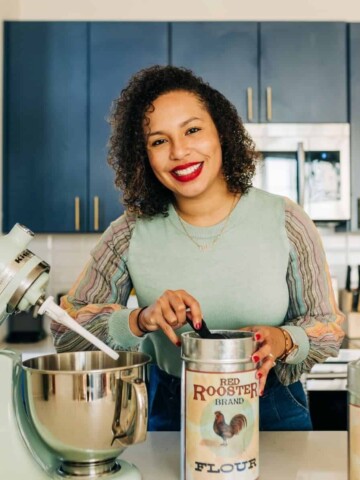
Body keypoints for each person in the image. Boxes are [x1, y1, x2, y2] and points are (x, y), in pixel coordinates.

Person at [51, 65, 345, 432]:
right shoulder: (128, 233)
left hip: (273, 410)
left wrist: (282, 339)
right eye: (159, 141)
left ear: (220, 132)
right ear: (144, 157)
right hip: (168, 411)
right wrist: (141, 319)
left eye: (192, 130)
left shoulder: (286, 220)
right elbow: (66, 331)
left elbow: (328, 329)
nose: (179, 151)